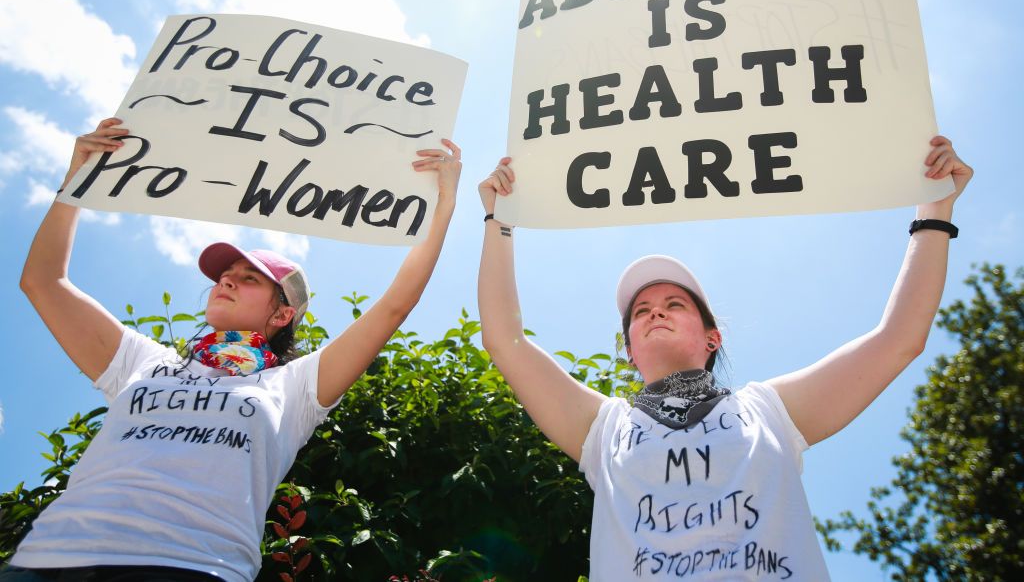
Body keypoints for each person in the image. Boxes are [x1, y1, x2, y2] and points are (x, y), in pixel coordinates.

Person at [477, 136, 971, 580]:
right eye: (641, 311)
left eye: (675, 304)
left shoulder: (770, 412)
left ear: (712, 338)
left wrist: (934, 210)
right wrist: (499, 223)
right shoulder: (601, 428)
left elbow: (899, 339)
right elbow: (504, 340)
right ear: (628, 351)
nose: (656, 313)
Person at [4, 117, 462, 582]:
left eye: (249, 279)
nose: (226, 280)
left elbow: (393, 308)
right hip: (49, 561)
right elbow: (43, 281)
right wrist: (77, 179)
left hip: (194, 568)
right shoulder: (145, 361)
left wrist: (444, 205)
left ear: (283, 314)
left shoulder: (295, 386)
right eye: (226, 274)